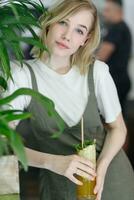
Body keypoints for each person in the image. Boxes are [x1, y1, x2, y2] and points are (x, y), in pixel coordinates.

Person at [4, 0, 134, 199]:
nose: (67, 36)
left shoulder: (97, 72)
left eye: (79, 30)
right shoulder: (21, 75)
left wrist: (102, 167)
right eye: (63, 23)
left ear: (86, 39)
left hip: (112, 182)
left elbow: (118, 128)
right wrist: (52, 162)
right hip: (57, 187)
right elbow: (4, 142)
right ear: (49, 22)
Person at [97, 0, 132, 112]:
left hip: (116, 82)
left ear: (118, 11)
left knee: (112, 121)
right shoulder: (123, 27)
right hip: (120, 81)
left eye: (107, 10)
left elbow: (101, 57)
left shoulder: (117, 29)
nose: (104, 13)